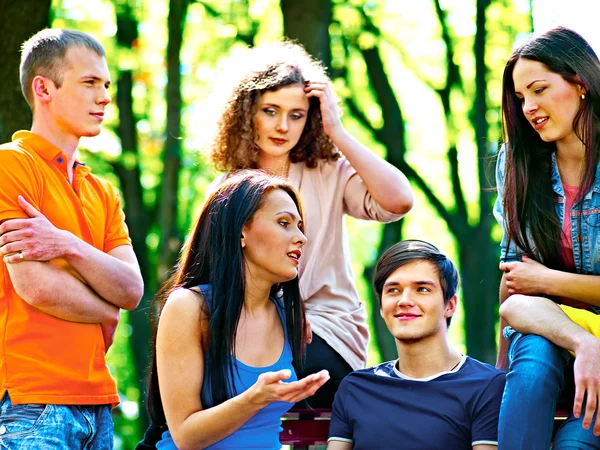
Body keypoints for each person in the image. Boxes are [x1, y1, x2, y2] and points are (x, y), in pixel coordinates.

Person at [207, 41, 414, 407]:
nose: (283, 126)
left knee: (267, 370)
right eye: (270, 111)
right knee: (192, 366)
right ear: (246, 112)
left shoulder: (328, 170)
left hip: (327, 332)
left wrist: (337, 131)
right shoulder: (227, 189)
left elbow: (398, 200)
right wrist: (276, 316)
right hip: (252, 329)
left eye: (297, 115)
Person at [0, 29, 144, 449]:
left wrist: (66, 244)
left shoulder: (103, 191)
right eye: (89, 83)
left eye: (106, 85)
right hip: (30, 403)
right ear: (43, 88)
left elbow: (132, 290)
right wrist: (105, 309)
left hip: (97, 405)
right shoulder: (12, 166)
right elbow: (36, 286)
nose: (104, 98)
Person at [147, 171, 329, 449]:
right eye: (284, 223)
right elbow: (185, 436)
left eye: (300, 226)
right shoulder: (189, 307)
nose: (301, 237)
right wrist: (256, 397)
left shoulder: (287, 315)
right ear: (241, 230)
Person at [493, 26, 600, 448]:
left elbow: (532, 283)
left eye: (539, 90)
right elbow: (516, 290)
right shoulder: (518, 163)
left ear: (581, 83)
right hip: (550, 332)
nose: (529, 108)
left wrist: (550, 282)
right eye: (521, 98)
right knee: (534, 362)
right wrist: (582, 339)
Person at [326, 240, 505, 450]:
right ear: (382, 308)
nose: (404, 300)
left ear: (450, 305)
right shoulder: (355, 388)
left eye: (421, 289)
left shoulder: (487, 386)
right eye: (393, 290)